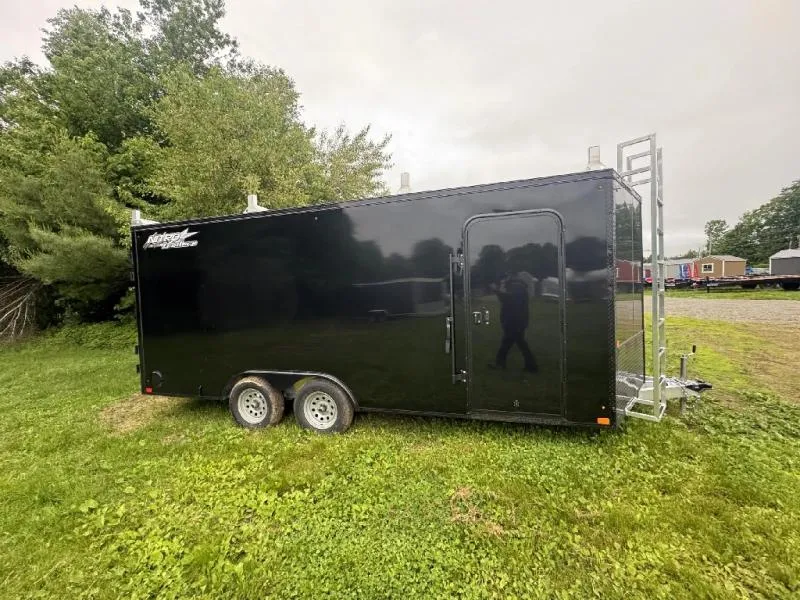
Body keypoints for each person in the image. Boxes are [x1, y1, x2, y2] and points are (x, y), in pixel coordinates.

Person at [490, 273, 537, 373]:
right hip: (516, 321)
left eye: (504, 281)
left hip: (515, 321)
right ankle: (501, 364)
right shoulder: (516, 288)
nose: (503, 284)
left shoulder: (517, 288)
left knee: (518, 344)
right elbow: (506, 300)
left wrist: (496, 291)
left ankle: (531, 366)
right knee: (509, 343)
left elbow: (509, 299)